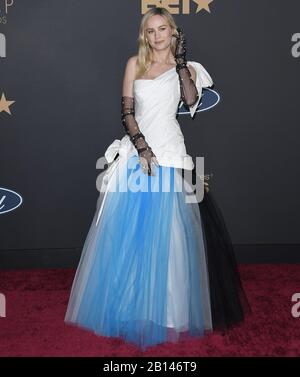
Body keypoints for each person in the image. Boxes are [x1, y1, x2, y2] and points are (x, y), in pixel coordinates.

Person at [64, 7, 250, 351]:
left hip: (172, 152)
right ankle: (129, 306)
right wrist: (142, 148)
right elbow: (127, 112)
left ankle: (170, 312)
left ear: (173, 31)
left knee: (173, 238)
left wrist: (180, 64)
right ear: (144, 35)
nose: (156, 36)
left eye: (162, 29)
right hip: (139, 154)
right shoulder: (134, 64)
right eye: (150, 31)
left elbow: (191, 99)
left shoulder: (188, 69)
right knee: (128, 237)